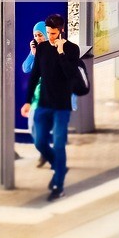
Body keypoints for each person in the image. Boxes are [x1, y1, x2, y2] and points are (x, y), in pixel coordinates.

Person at [21, 14, 80, 201]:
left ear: (61, 30)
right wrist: (28, 100)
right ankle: (58, 165)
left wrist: (61, 52)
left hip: (62, 106)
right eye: (48, 33)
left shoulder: (72, 49)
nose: (50, 36)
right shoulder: (42, 49)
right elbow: (33, 75)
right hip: (43, 104)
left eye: (53, 33)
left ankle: (58, 184)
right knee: (39, 142)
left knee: (60, 144)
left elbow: (71, 75)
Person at [21, 21, 51, 168]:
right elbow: (26, 68)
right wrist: (33, 54)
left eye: (40, 35)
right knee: (32, 125)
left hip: (50, 95)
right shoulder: (36, 51)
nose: (38, 38)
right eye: (35, 36)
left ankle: (47, 154)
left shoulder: (53, 50)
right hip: (36, 96)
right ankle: (44, 151)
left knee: (46, 126)